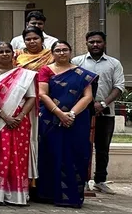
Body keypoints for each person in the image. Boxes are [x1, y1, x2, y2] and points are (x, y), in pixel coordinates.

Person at [36, 40, 96, 208]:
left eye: (65, 50)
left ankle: (71, 196)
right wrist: (59, 113)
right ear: (52, 53)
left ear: (70, 51)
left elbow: (87, 97)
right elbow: (42, 93)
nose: (61, 53)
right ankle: (48, 195)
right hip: (50, 119)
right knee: (50, 153)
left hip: (76, 121)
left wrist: (70, 114)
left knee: (75, 154)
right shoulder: (46, 70)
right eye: (58, 50)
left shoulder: (83, 74)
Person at [0, 42, 36, 204]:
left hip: (19, 121)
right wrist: (4, 116)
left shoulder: (25, 75)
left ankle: (15, 194)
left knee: (17, 156)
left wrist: (19, 117)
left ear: (13, 54)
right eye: (0, 52)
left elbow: (31, 97)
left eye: (7, 51)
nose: (4, 54)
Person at [74, 31, 124, 194]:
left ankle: (100, 180)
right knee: (82, 146)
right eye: (91, 42)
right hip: (82, 112)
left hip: (105, 112)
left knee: (103, 148)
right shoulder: (77, 61)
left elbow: (119, 86)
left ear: (104, 43)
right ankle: (82, 180)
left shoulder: (114, 63)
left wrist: (103, 103)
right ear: (86, 43)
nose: (95, 45)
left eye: (98, 42)